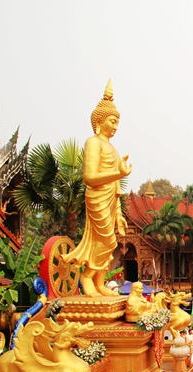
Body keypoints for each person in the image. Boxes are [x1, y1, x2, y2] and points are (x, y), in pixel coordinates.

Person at [61, 80, 131, 297]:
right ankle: (87, 277)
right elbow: (90, 177)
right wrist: (119, 174)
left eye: (118, 122)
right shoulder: (93, 142)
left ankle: (100, 283)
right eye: (113, 121)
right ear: (100, 121)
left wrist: (118, 213)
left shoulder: (113, 148)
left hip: (110, 198)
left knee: (109, 242)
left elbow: (116, 189)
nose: (116, 126)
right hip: (97, 196)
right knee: (106, 240)